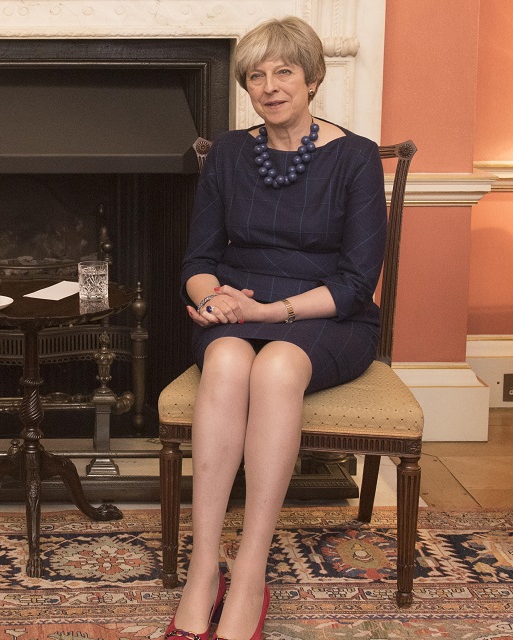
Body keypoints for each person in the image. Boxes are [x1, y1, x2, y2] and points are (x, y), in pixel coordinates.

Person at [167, 16, 387, 640]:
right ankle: (204, 568)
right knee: (230, 360)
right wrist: (212, 300)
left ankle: (254, 569)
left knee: (278, 365)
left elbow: (354, 283)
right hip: (239, 305)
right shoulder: (231, 153)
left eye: (284, 71)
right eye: (256, 75)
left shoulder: (356, 158)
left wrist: (267, 312)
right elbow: (199, 260)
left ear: (312, 79)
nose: (269, 86)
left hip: (327, 314)